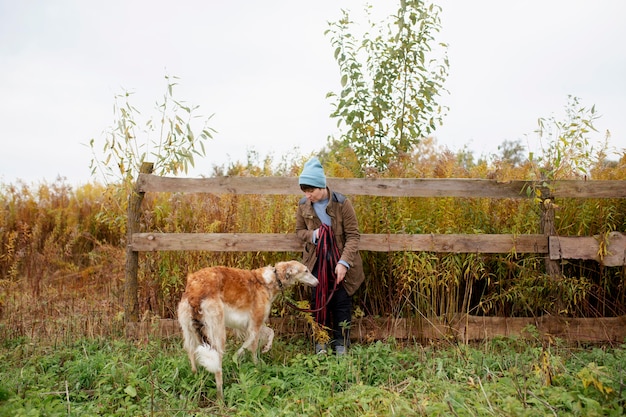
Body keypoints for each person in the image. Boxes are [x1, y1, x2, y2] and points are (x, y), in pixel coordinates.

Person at [295, 157, 365, 355]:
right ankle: (321, 343)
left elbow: (353, 235)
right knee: (318, 301)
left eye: (311, 191)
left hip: (340, 258)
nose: (308, 195)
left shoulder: (342, 203)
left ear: (321, 185)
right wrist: (314, 235)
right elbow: (299, 231)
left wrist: (344, 263)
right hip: (316, 260)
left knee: (341, 301)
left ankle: (341, 344)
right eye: (305, 192)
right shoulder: (303, 205)